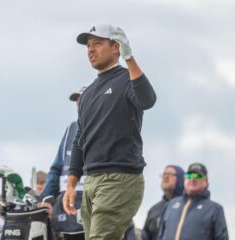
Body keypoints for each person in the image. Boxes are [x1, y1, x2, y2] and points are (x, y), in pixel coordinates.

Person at [63, 24, 156, 240]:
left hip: (120, 177)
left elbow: (147, 100)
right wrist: (71, 184)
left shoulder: (127, 79)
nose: (91, 50)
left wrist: (129, 57)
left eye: (97, 43)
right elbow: (80, 139)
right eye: (88, 45)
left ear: (116, 48)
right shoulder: (87, 94)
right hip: (91, 180)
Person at [41, 87, 86, 240]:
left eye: (83, 100)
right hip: (67, 218)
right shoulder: (71, 129)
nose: (79, 104)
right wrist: (46, 197)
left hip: (96, 217)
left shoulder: (106, 128)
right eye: (77, 101)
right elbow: (56, 169)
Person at [160, 163, 229, 240]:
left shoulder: (214, 209)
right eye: (189, 176)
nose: (193, 179)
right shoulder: (170, 205)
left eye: (198, 176)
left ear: (206, 182)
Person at [142, 165, 185, 240]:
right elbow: (146, 235)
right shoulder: (154, 209)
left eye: (170, 174)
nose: (166, 177)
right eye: (164, 174)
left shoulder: (189, 206)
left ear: (180, 179)